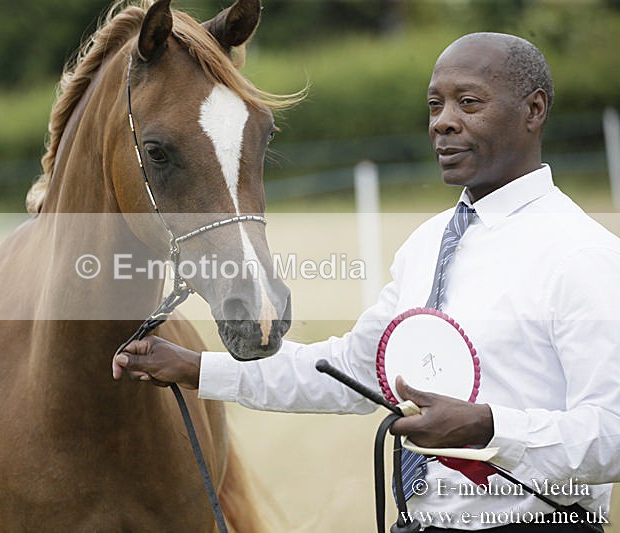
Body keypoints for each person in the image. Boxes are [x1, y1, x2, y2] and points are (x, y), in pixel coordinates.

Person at [112, 32, 620, 531]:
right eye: (435, 105)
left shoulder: (583, 255)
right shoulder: (427, 244)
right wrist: (197, 369)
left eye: (468, 103)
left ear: (533, 111)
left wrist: (489, 426)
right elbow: (352, 371)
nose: (443, 122)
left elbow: (612, 433)